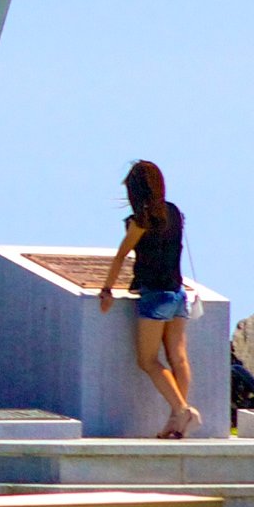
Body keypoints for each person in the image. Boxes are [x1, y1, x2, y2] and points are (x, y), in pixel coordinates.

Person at [98, 160, 201, 438]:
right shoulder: (174, 213)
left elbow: (122, 255)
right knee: (178, 358)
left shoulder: (140, 222)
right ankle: (176, 422)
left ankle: (181, 409)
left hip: (156, 296)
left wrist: (107, 290)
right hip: (179, 295)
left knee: (148, 361)